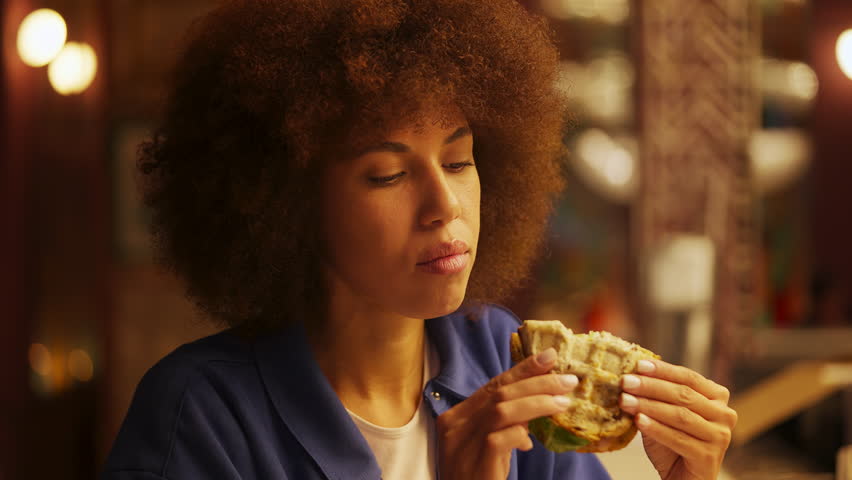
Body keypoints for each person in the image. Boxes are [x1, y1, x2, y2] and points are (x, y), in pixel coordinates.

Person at [102, 0, 737, 478]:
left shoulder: (505, 358)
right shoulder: (201, 415)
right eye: (388, 175)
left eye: (459, 161)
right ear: (287, 202)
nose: (444, 205)